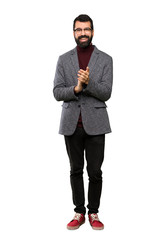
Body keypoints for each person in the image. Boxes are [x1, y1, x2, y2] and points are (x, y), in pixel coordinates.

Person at [53, 14, 113, 230]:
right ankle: (79, 212)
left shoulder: (105, 59)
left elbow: (106, 92)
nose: (83, 33)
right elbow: (57, 91)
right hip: (71, 123)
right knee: (75, 170)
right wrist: (76, 89)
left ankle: (94, 213)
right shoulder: (63, 59)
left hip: (96, 123)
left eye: (86, 29)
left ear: (93, 32)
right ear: (73, 33)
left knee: (95, 171)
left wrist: (88, 84)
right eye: (78, 30)